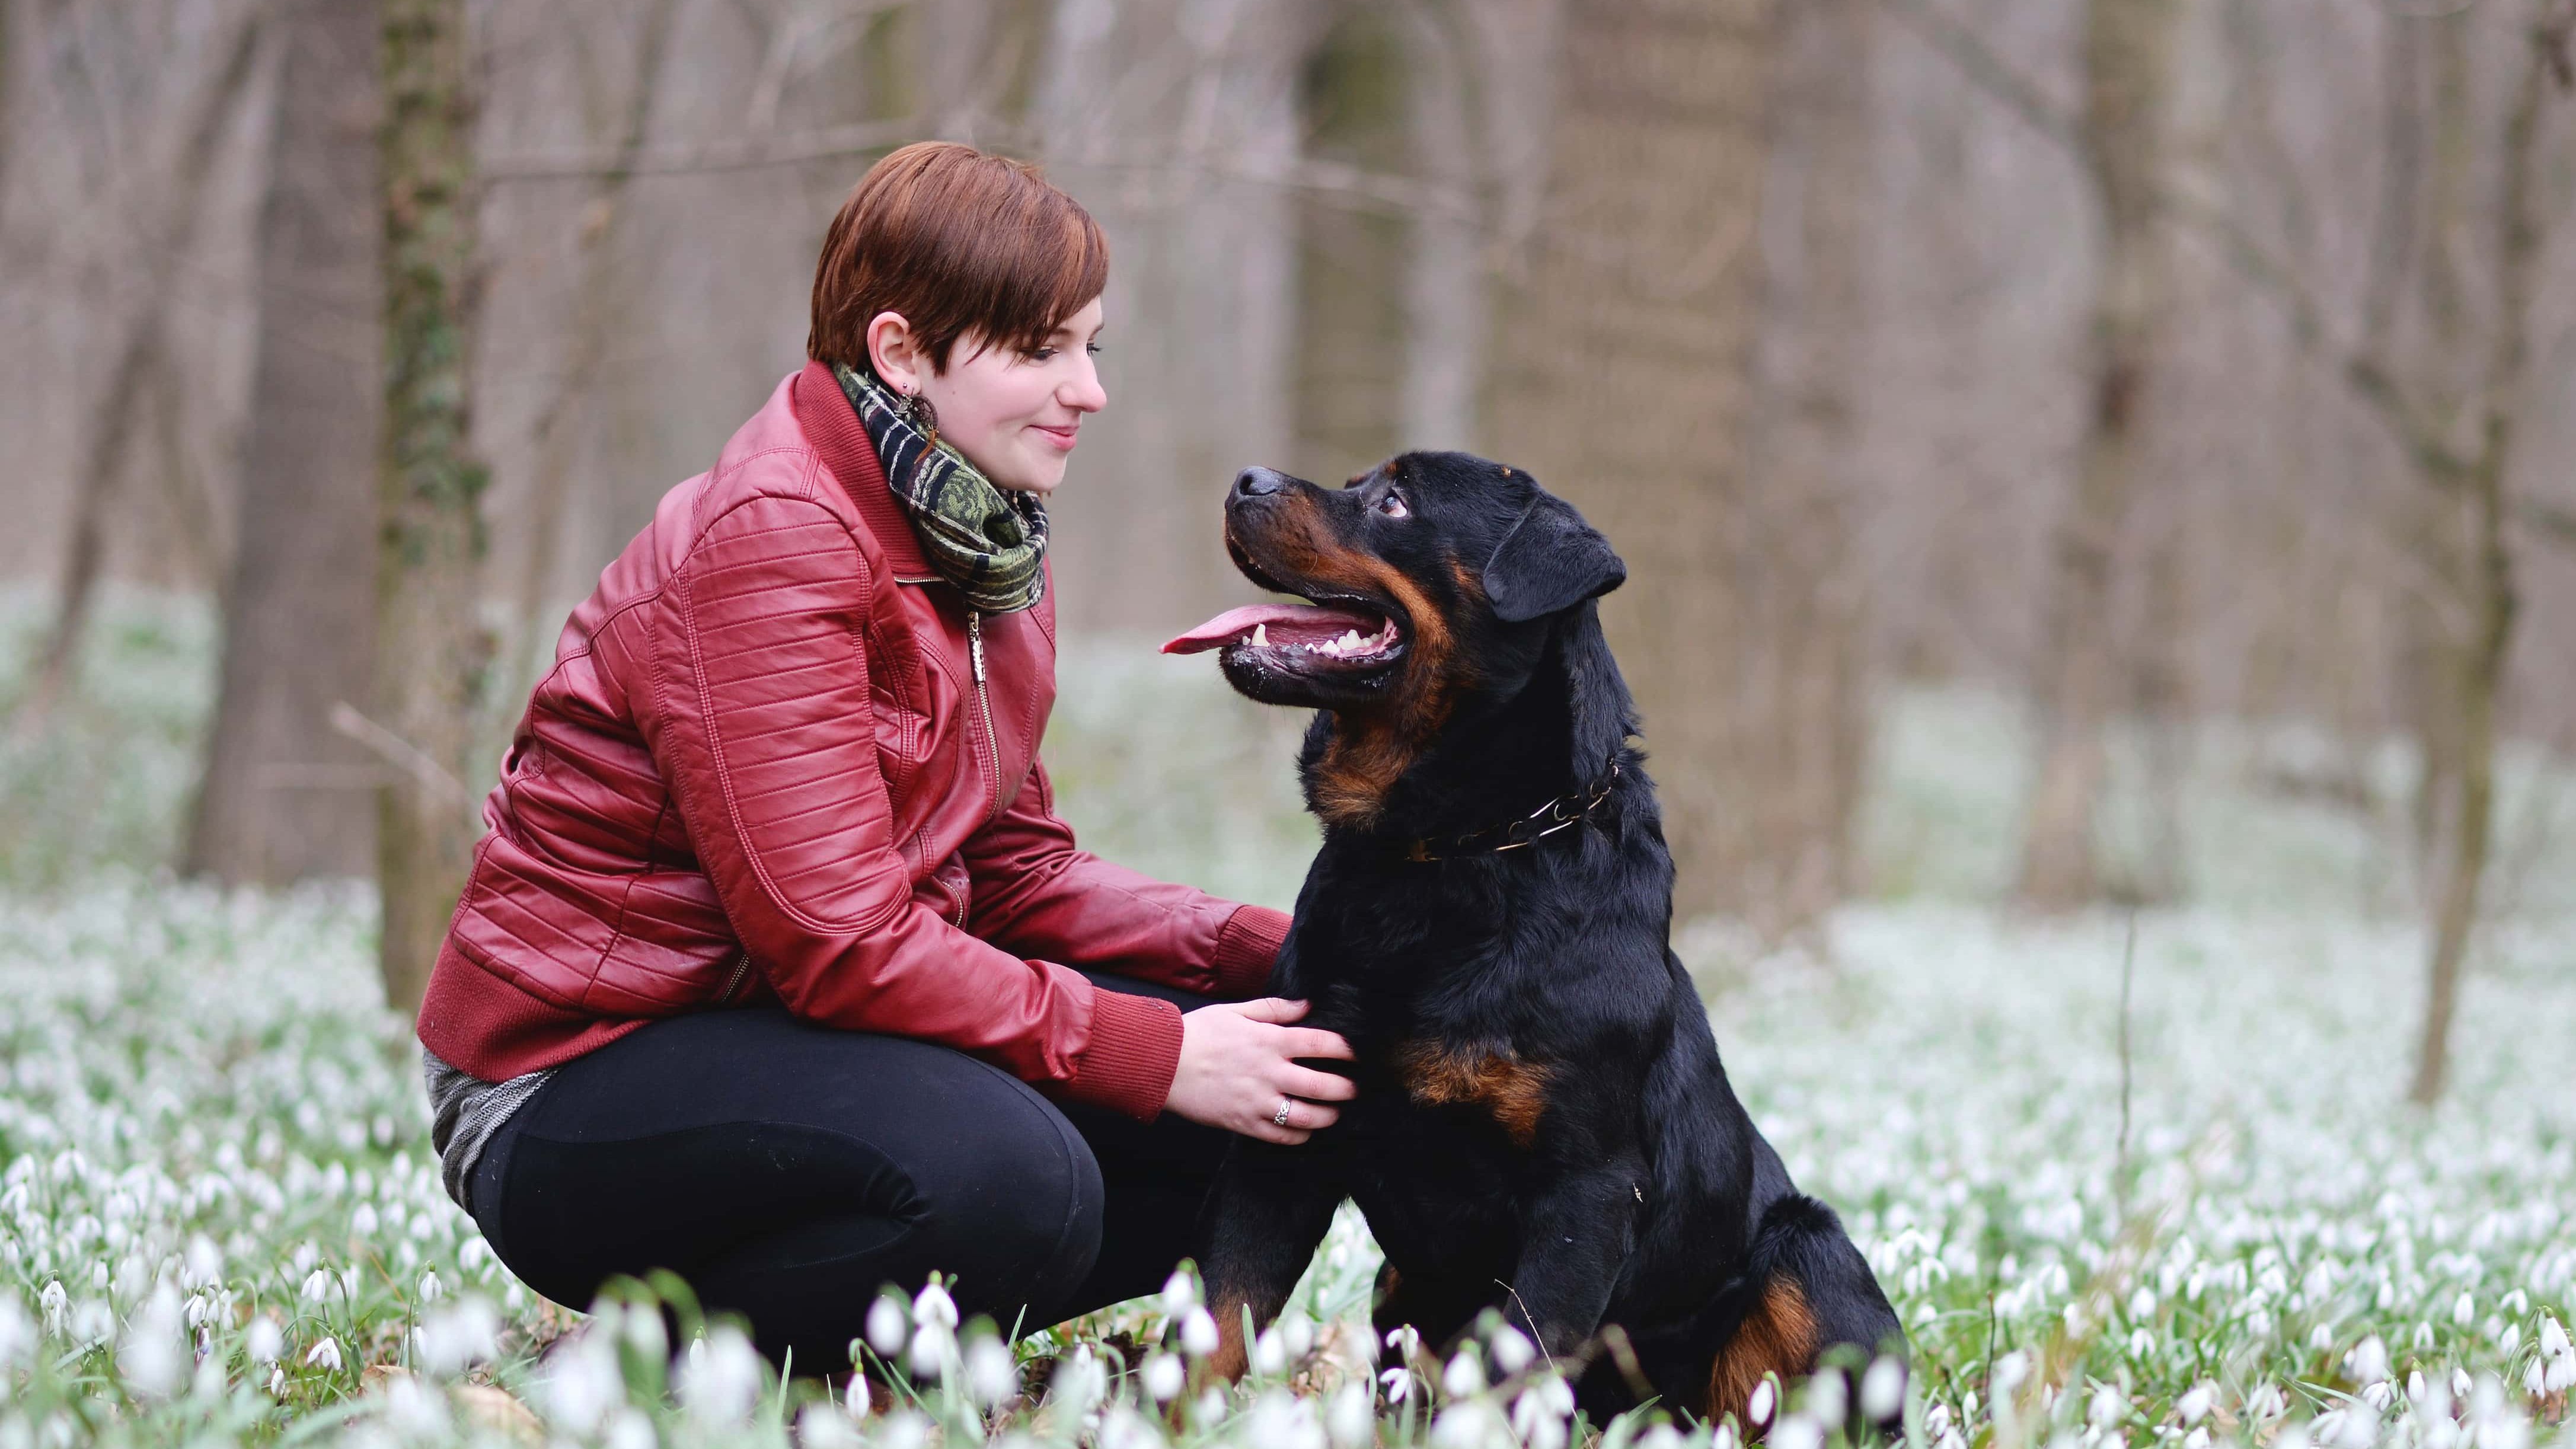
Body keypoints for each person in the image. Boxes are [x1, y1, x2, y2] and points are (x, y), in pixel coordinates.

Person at [414, 141, 1354, 1371]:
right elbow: (837, 942)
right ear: (903, 352)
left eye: (1092, 347)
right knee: (1023, 1175)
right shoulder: (774, 540)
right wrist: (1159, 1051)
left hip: (800, 1038)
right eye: (1040, 351)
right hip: (577, 1074)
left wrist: (1283, 950)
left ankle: (842, 1341)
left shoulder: (982, 540)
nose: (1089, 391)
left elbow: (1015, 876)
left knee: (1278, 1083)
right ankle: (658, 1372)